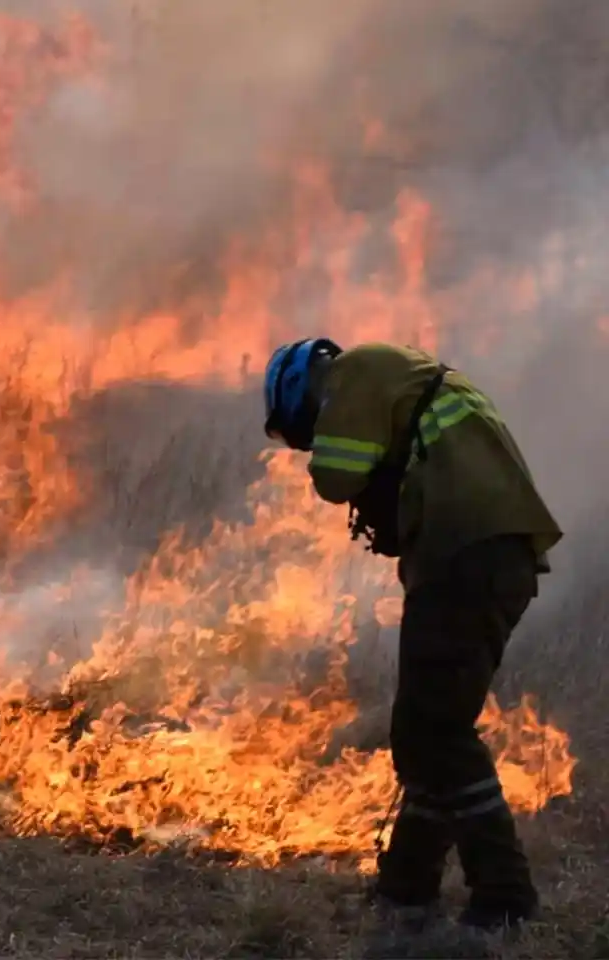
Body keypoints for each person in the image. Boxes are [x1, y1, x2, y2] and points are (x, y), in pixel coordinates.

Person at [262, 339, 562, 937]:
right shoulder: (407, 377)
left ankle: (504, 897)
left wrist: (344, 464)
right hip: (492, 557)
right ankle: (407, 885)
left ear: (302, 389)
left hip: (465, 554)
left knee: (436, 732)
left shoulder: (354, 374)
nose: (308, 439)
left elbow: (336, 475)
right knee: (427, 728)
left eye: (302, 429)